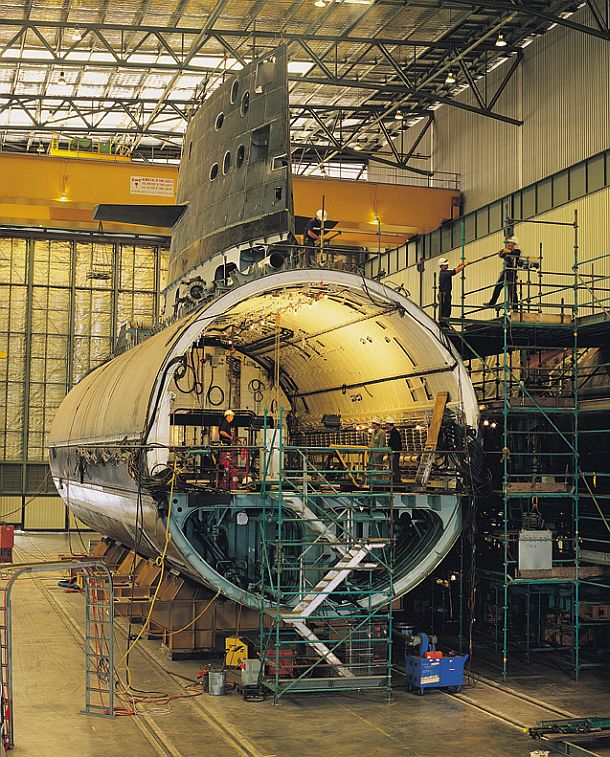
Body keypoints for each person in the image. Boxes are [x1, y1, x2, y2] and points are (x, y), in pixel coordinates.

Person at [484, 237, 522, 310]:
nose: (508, 245)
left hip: (512, 272)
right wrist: (502, 252)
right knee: (498, 287)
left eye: (510, 243)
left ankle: (515, 308)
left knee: (512, 291)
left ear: (514, 244)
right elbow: (502, 255)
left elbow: (514, 253)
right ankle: (492, 302)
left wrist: (507, 251)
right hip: (506, 271)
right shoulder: (506, 251)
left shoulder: (517, 251)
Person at [368, 417, 386, 482]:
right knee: (371, 467)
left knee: (378, 467)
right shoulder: (373, 432)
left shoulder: (382, 433)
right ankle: (371, 481)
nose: (372, 425)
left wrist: (379, 453)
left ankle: (378, 481)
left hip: (378, 455)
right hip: (372, 453)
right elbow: (372, 442)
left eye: (373, 423)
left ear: (376, 424)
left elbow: (381, 444)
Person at [385, 417, 402, 486]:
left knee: (395, 465)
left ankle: (397, 479)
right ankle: (395, 479)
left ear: (389, 424)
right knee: (393, 465)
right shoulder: (393, 432)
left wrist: (393, 451)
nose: (386, 426)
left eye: (386, 424)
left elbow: (395, 443)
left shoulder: (394, 432)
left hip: (395, 452)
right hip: (394, 452)